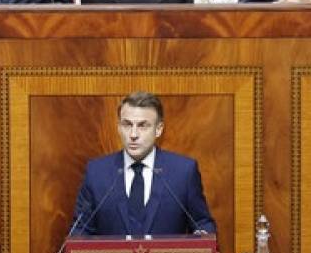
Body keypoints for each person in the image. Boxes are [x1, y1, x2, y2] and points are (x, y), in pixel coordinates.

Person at [71, 91, 216, 236]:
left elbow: (202, 222)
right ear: (119, 127)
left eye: (142, 126)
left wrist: (202, 235)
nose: (133, 135)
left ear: (158, 129)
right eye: (127, 125)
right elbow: (80, 230)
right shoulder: (97, 173)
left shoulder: (184, 172)